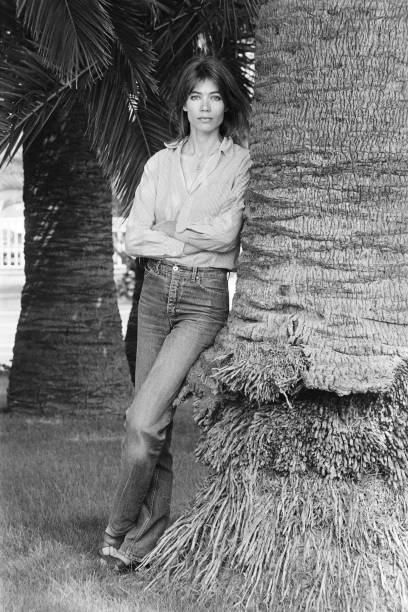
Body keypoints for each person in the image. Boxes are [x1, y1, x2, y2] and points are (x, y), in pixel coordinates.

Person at [99, 55, 251, 573]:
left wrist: (170, 232)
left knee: (141, 420)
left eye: (215, 97)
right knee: (155, 422)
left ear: (225, 105)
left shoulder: (241, 164)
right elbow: (134, 237)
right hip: (155, 293)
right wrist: (190, 240)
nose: (205, 107)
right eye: (196, 96)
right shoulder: (159, 163)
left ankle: (116, 528)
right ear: (184, 105)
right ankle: (144, 541)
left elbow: (228, 236)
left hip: (202, 302)